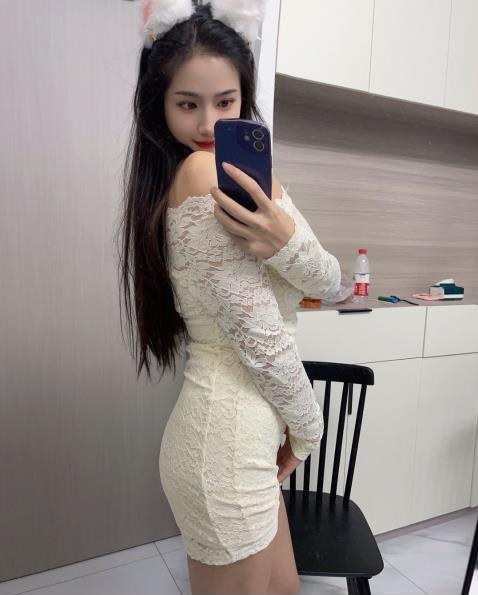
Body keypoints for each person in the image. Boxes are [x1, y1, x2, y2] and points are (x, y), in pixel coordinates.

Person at [116, 1, 342, 593]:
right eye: (187, 104)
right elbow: (259, 336)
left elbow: (329, 281)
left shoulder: (253, 182)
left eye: (226, 102)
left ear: (245, 98)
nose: (209, 124)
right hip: (225, 442)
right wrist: (309, 430)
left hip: (248, 436)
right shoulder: (198, 175)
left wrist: (282, 241)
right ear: (159, 104)